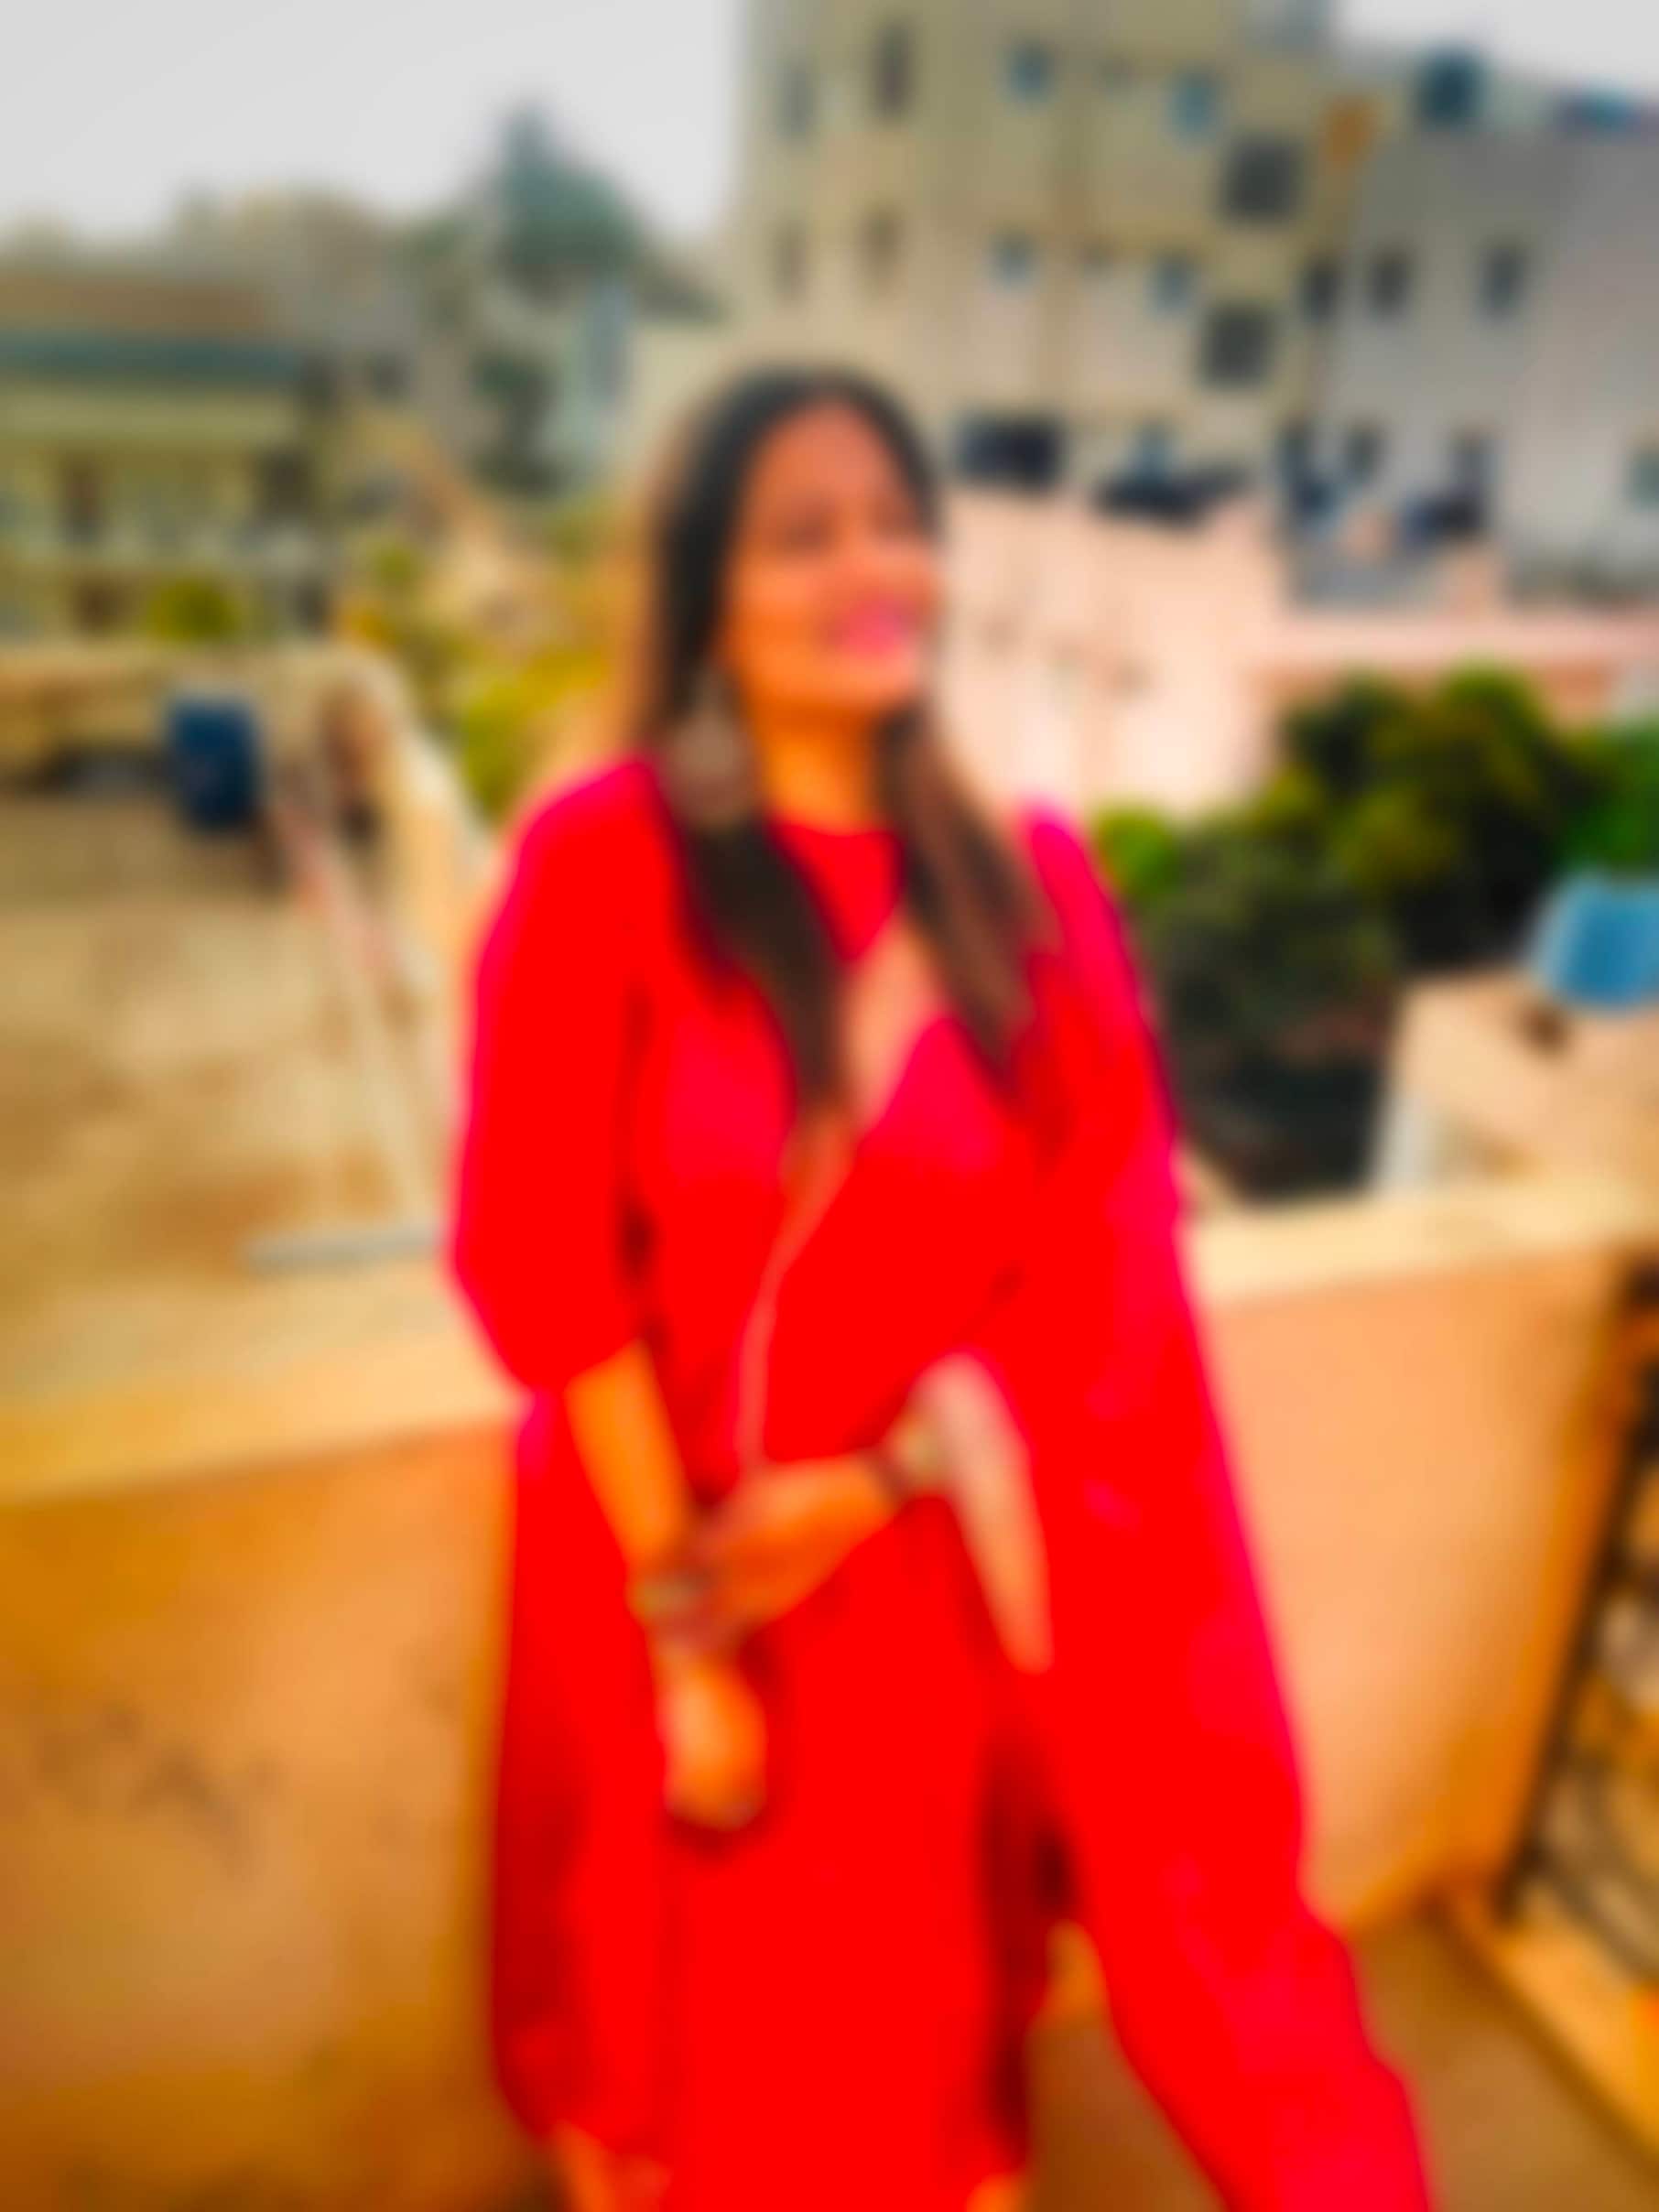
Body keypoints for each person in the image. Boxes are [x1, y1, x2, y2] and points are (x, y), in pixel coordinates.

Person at [445, 366, 1433, 2212]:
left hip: (913, 1592)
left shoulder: (1025, 888)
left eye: (897, 522)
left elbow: (1100, 1264)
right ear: (707, 599)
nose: (871, 567)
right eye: (804, 535)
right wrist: (689, 1633)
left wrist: (883, 1475)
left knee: (909, 2077)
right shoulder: (606, 865)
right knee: (669, 2063)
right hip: (661, 1570)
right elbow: (544, 1263)